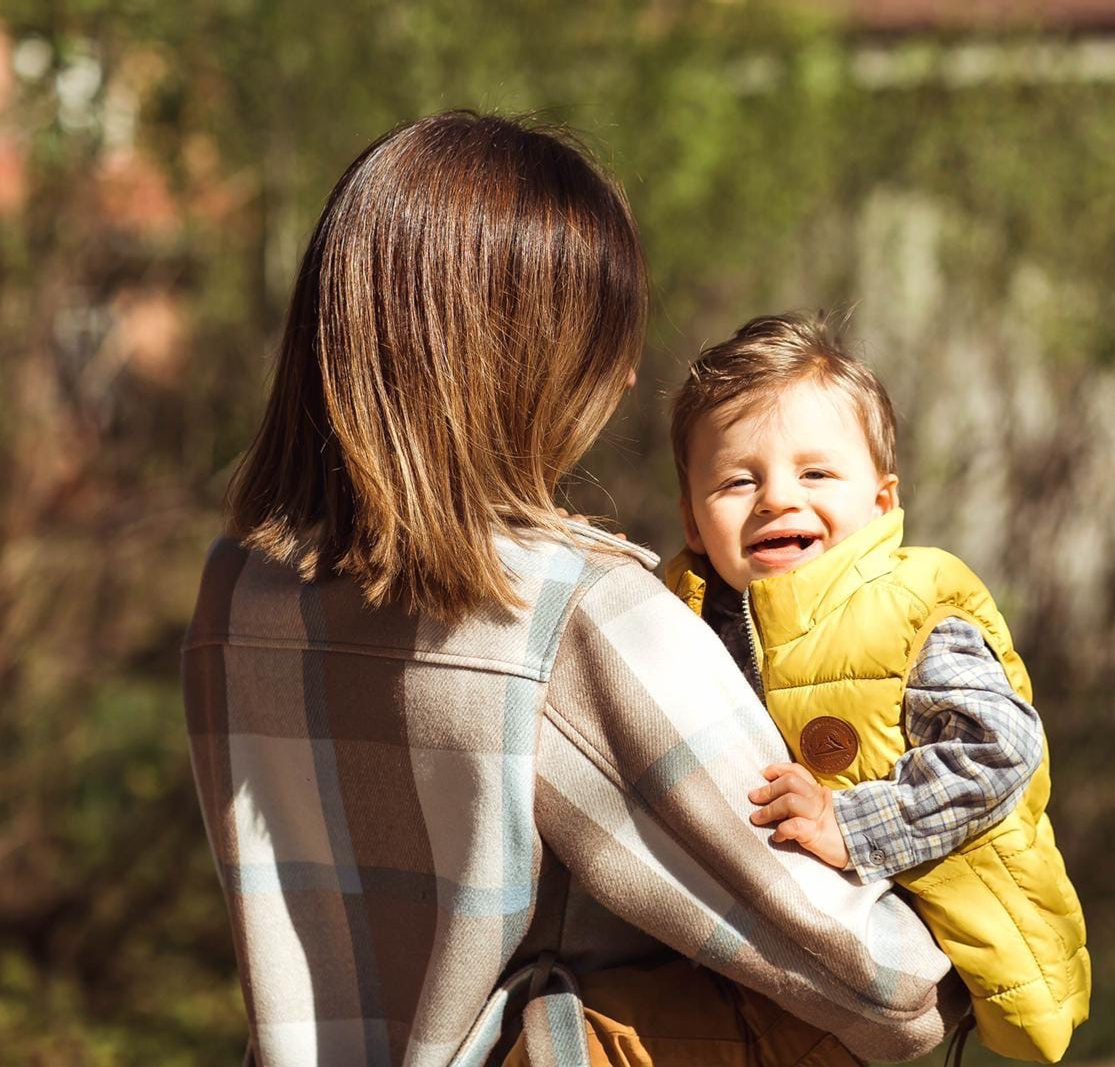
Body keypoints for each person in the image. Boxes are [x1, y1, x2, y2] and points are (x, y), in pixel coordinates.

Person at [181, 112, 964, 1067]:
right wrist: (971, 959)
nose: (628, 375)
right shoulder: (573, 611)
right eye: (603, 343)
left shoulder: (238, 590)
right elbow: (871, 979)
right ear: (533, 360)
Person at [662, 312, 1091, 1063]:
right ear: (694, 523)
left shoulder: (910, 606)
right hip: (770, 945)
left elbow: (1001, 746)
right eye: (737, 479)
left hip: (932, 951)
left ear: (882, 503)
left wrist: (852, 825)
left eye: (815, 472)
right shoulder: (686, 606)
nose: (775, 499)